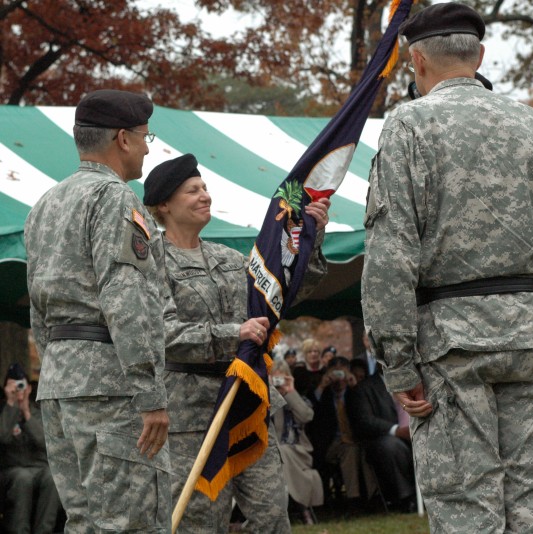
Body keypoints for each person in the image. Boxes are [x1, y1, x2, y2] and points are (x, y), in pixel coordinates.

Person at [361, 4, 533, 533]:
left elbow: (390, 256)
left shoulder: (409, 126)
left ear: (417, 61)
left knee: (469, 513)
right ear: (480, 56)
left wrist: (398, 365)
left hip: (453, 345)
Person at [143, 153, 330, 534]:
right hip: (192, 415)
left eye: (205, 188)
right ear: (164, 205)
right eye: (192, 191)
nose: (204, 196)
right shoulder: (151, 262)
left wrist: (311, 236)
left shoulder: (229, 258)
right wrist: (235, 333)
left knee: (272, 517)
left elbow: (282, 295)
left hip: (245, 407)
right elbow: (162, 333)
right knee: (201, 521)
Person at [24, 89, 171, 532]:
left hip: (60, 383)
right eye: (146, 136)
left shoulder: (45, 205)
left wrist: (56, 368)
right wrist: (150, 391)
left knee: (85, 520)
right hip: (111, 382)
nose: (149, 146)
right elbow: (126, 295)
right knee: (131, 521)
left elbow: (37, 307)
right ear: (123, 139)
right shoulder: (114, 198)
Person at [306, 356, 375, 510]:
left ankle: (368, 497)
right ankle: (355, 499)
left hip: (356, 440)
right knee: (350, 450)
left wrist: (355, 386)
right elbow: (309, 412)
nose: (338, 379)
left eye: (341, 373)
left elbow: (363, 414)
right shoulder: (322, 394)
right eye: (334, 373)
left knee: (358, 450)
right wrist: (322, 386)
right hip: (329, 445)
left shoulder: (354, 393)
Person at [0, 363, 62, 533]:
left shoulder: (38, 412)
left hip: (40, 468)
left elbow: (45, 442)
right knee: (23, 478)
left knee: (52, 477)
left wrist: (26, 413)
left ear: (28, 388)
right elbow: (3, 437)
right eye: (13, 385)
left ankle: (44, 531)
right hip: (14, 469)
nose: (18, 389)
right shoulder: (3, 412)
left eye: (21, 385)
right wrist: (11, 405)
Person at [345, 365, 416, 513]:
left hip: (419, 434)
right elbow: (364, 421)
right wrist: (396, 431)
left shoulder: (414, 382)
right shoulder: (363, 389)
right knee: (390, 446)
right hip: (388, 439)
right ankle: (407, 498)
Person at [269, 359, 323, 525]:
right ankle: (303, 510)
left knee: (282, 452)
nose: (278, 383)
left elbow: (306, 416)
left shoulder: (299, 399)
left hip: (298, 451)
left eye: (281, 379)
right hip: (270, 453)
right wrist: (271, 391)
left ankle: (298, 510)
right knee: (279, 452)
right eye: (274, 378)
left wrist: (290, 392)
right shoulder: (264, 399)